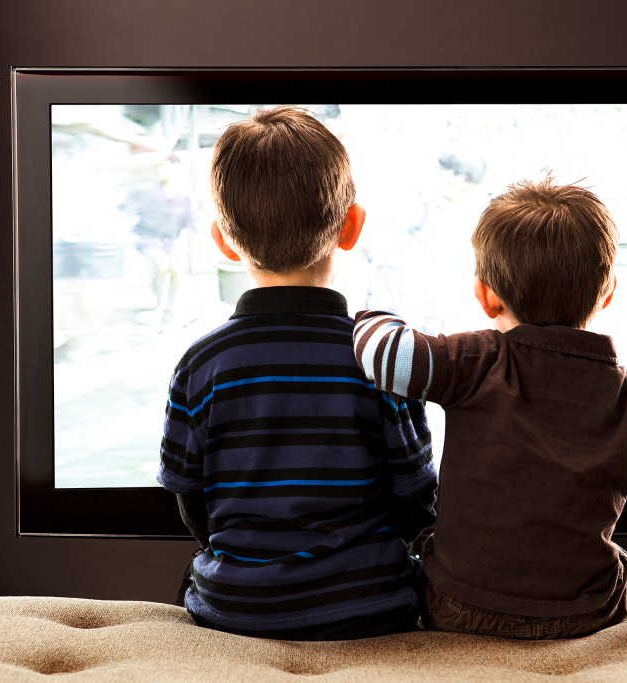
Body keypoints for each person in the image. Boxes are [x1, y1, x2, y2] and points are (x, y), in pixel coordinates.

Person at [353, 175, 627, 639]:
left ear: (486, 295)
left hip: (455, 604)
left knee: (433, 543)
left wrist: (373, 315)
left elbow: (384, 355)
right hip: (581, 612)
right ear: (607, 292)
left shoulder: (475, 360)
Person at [156, 106, 438, 640]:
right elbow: (415, 498)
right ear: (352, 226)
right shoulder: (378, 358)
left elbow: (190, 502)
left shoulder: (199, 364)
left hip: (236, 608)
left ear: (223, 240)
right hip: (369, 606)